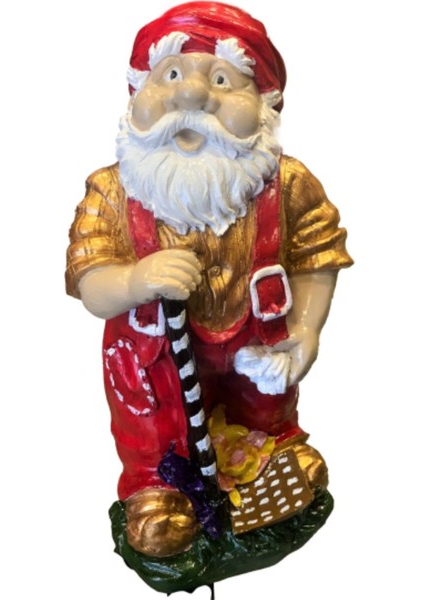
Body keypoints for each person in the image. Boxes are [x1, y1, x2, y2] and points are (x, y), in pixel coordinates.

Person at [66, 1, 353, 558]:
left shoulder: (289, 184)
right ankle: (158, 491)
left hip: (257, 342)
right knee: (155, 428)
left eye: (222, 80)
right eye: (171, 75)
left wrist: (307, 330)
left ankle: (268, 461)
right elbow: (91, 282)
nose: (192, 97)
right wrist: (135, 280)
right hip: (152, 359)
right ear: (137, 92)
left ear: (266, 104)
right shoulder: (112, 190)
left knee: (266, 409)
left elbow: (318, 254)